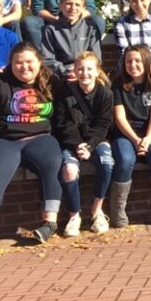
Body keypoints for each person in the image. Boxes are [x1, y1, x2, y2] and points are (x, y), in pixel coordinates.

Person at [0, 42, 63, 244]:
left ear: (39, 62)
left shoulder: (52, 82)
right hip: (1, 139)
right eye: (18, 62)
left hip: (39, 137)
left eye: (29, 62)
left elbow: (62, 115)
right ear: (10, 63)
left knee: (52, 164)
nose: (24, 67)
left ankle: (49, 223)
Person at [108, 44, 151, 228]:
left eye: (137, 61)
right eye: (129, 61)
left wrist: (147, 138)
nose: (133, 65)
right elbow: (119, 118)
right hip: (126, 133)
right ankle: (117, 213)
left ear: (146, 61)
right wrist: (136, 140)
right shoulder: (118, 84)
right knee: (125, 159)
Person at [54, 48, 115, 235]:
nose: (84, 73)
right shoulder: (64, 92)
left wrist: (89, 146)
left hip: (96, 140)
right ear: (74, 71)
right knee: (69, 169)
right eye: (80, 69)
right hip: (72, 141)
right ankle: (74, 216)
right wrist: (77, 145)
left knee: (107, 163)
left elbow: (104, 125)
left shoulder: (106, 94)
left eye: (89, 69)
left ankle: (97, 210)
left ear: (97, 72)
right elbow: (62, 123)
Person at [39, 0, 101, 77]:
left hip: (85, 73)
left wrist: (80, 71)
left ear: (83, 8)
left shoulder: (91, 28)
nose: (73, 8)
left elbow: (96, 57)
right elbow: (48, 60)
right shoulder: (50, 30)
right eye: (68, 4)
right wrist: (66, 72)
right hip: (62, 75)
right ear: (60, 6)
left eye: (77, 5)